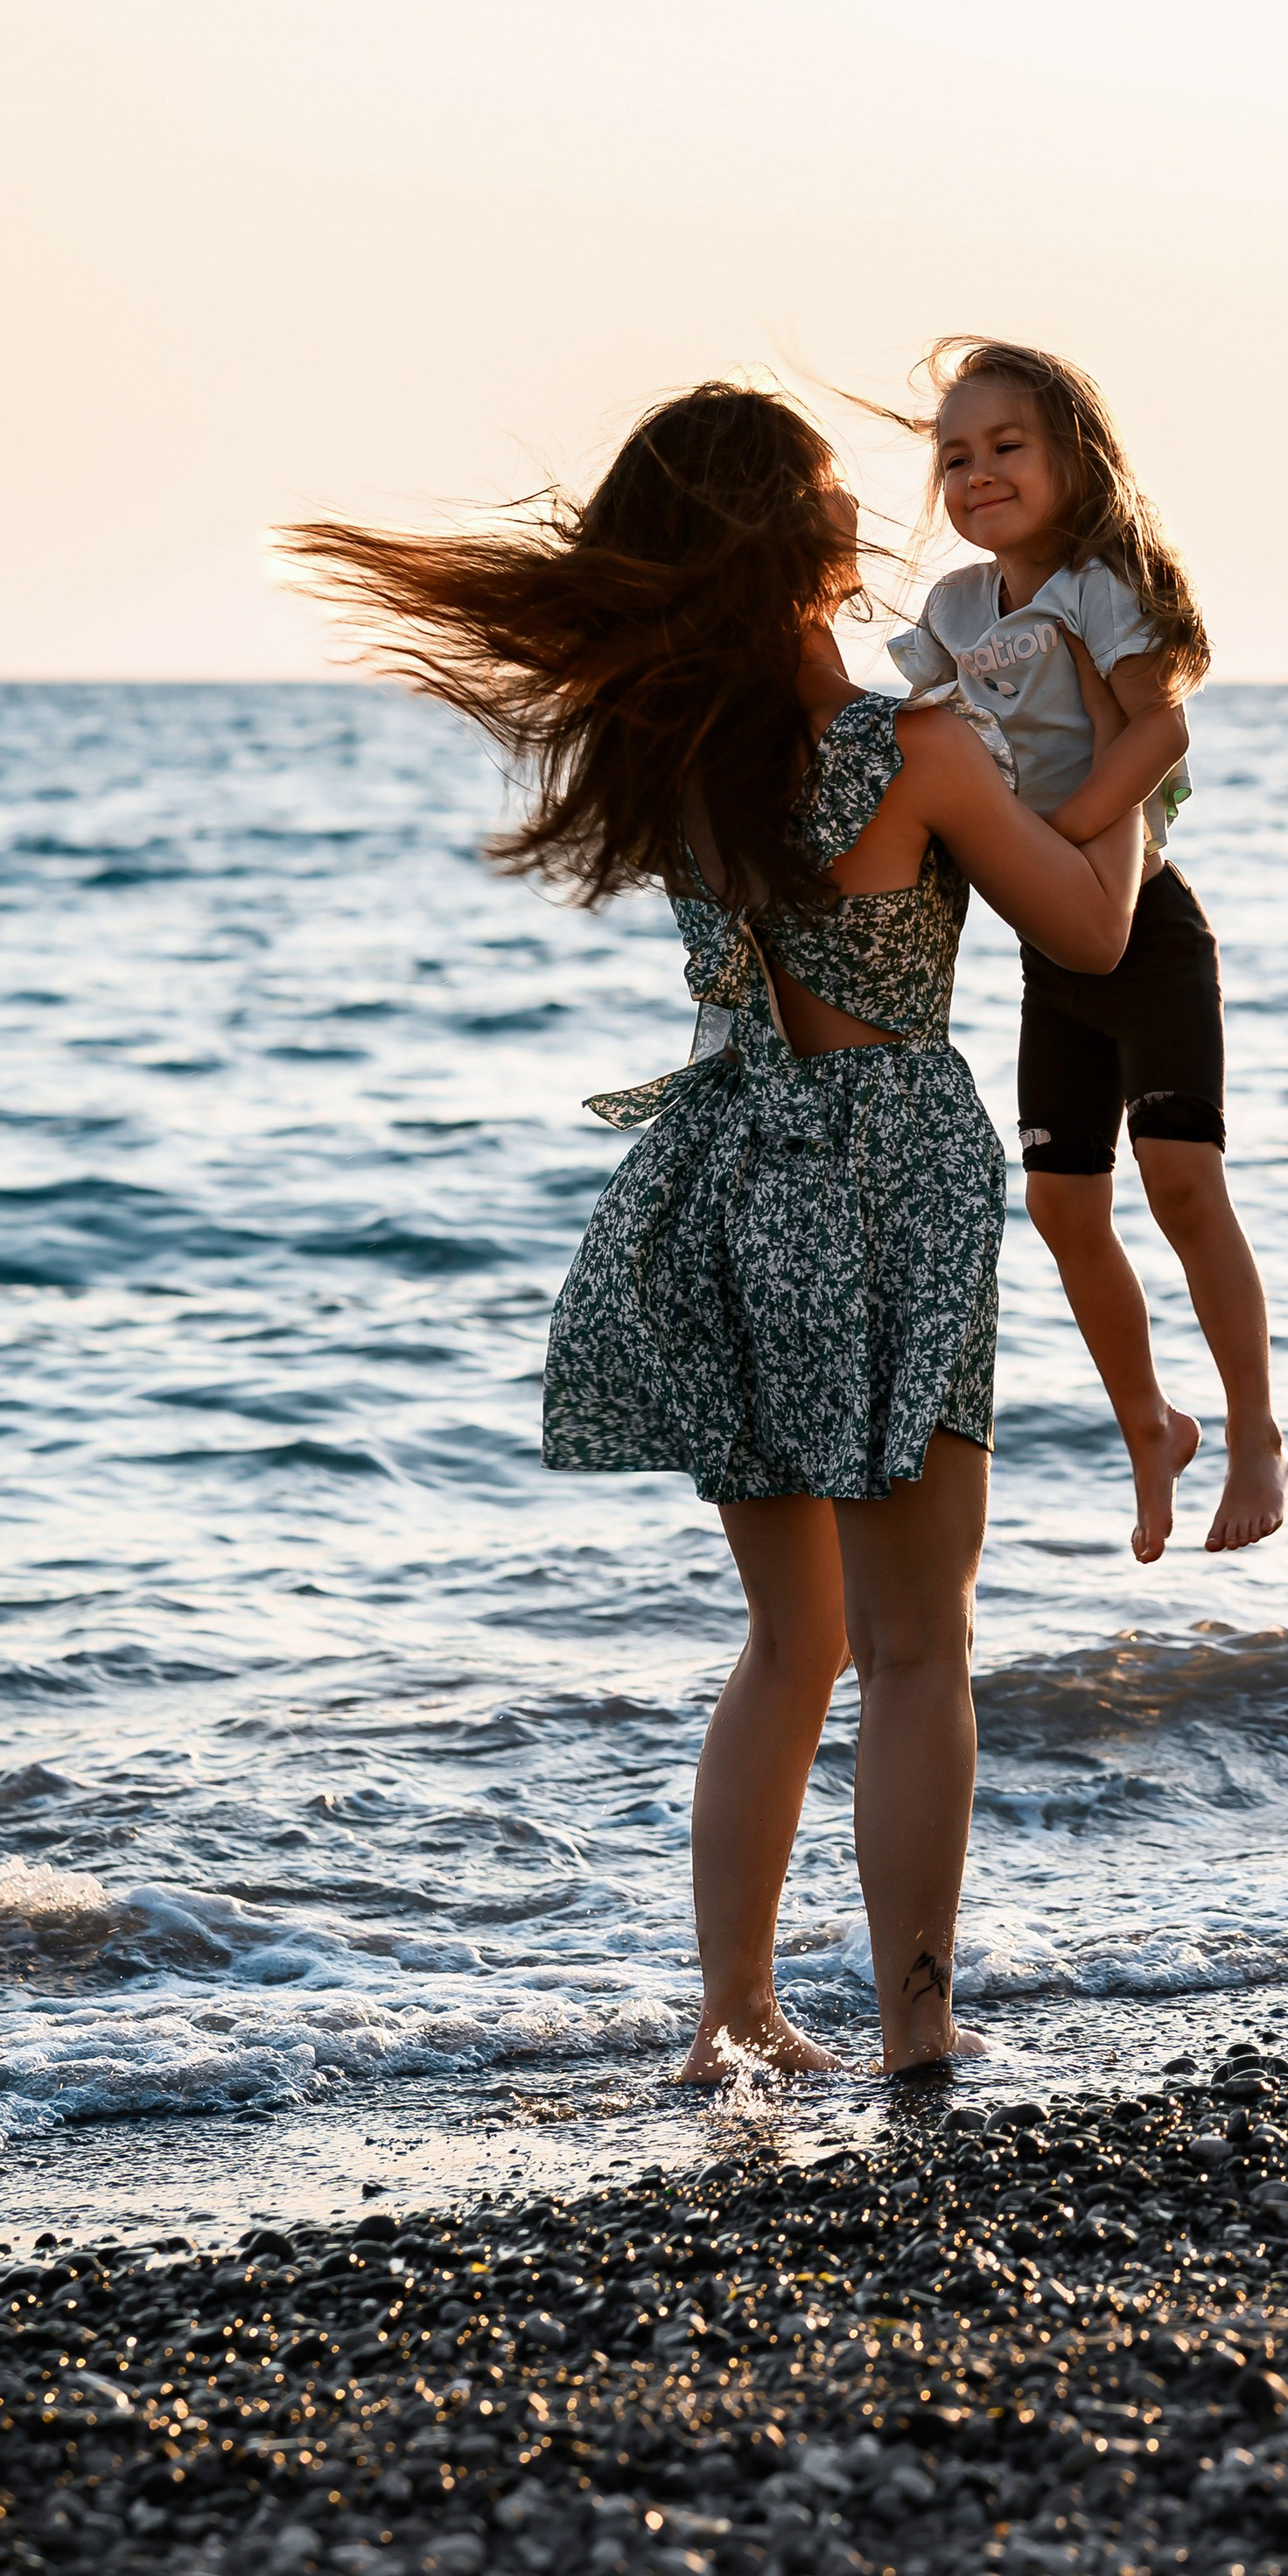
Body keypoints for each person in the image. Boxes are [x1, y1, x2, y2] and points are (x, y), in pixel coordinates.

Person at [283, 383, 1151, 2080]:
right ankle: (916, 2026)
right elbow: (1093, 934)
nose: (859, 506)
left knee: (790, 1640)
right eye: (830, 487)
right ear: (781, 535)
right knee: (917, 1644)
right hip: (885, 1182)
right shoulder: (911, 749)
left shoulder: (685, 761)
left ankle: (731, 2013)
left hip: (727, 1178)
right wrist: (1135, 765)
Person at [889, 334, 1288, 1564]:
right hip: (1052, 955)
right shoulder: (957, 610)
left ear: (1074, 458)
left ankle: (1257, 1427)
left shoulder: (1099, 585)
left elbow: (1156, 734)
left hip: (1146, 930)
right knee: (1065, 1206)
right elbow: (911, 729)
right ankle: (1148, 1422)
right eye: (955, 457)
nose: (978, 474)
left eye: (1006, 447)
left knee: (1182, 1185)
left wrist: (1051, 840)